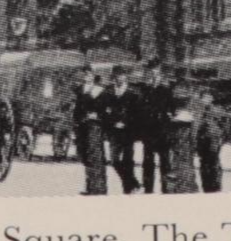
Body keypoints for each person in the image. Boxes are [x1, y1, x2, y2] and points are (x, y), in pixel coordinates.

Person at [134, 60, 177, 194]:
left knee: (165, 162)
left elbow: (172, 108)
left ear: (160, 71)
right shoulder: (145, 88)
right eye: (151, 69)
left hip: (162, 130)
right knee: (148, 162)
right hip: (148, 130)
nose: (153, 72)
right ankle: (148, 190)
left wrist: (169, 121)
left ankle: (166, 190)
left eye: (155, 69)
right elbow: (140, 109)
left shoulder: (167, 87)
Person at [73, 70, 112, 196]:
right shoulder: (80, 90)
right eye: (85, 74)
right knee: (85, 156)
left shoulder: (99, 91)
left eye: (89, 75)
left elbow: (106, 110)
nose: (87, 77)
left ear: (94, 76)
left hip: (95, 126)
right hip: (82, 126)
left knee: (96, 156)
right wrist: (77, 122)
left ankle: (99, 188)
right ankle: (90, 187)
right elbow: (77, 108)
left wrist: (98, 115)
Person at [105, 67, 141, 195]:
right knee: (114, 160)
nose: (119, 77)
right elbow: (106, 110)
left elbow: (137, 113)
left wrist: (126, 123)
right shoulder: (109, 91)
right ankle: (134, 183)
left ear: (126, 76)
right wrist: (113, 122)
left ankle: (128, 189)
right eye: (116, 75)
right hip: (114, 131)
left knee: (128, 161)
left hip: (128, 132)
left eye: (121, 75)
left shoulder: (133, 92)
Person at [190, 87, 226, 194]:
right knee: (204, 164)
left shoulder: (217, 110)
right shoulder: (198, 111)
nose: (206, 100)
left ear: (212, 98)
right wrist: (194, 141)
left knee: (214, 163)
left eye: (208, 97)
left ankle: (215, 187)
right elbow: (195, 126)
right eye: (204, 97)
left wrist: (220, 137)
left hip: (213, 140)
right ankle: (206, 186)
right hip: (202, 141)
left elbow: (225, 125)